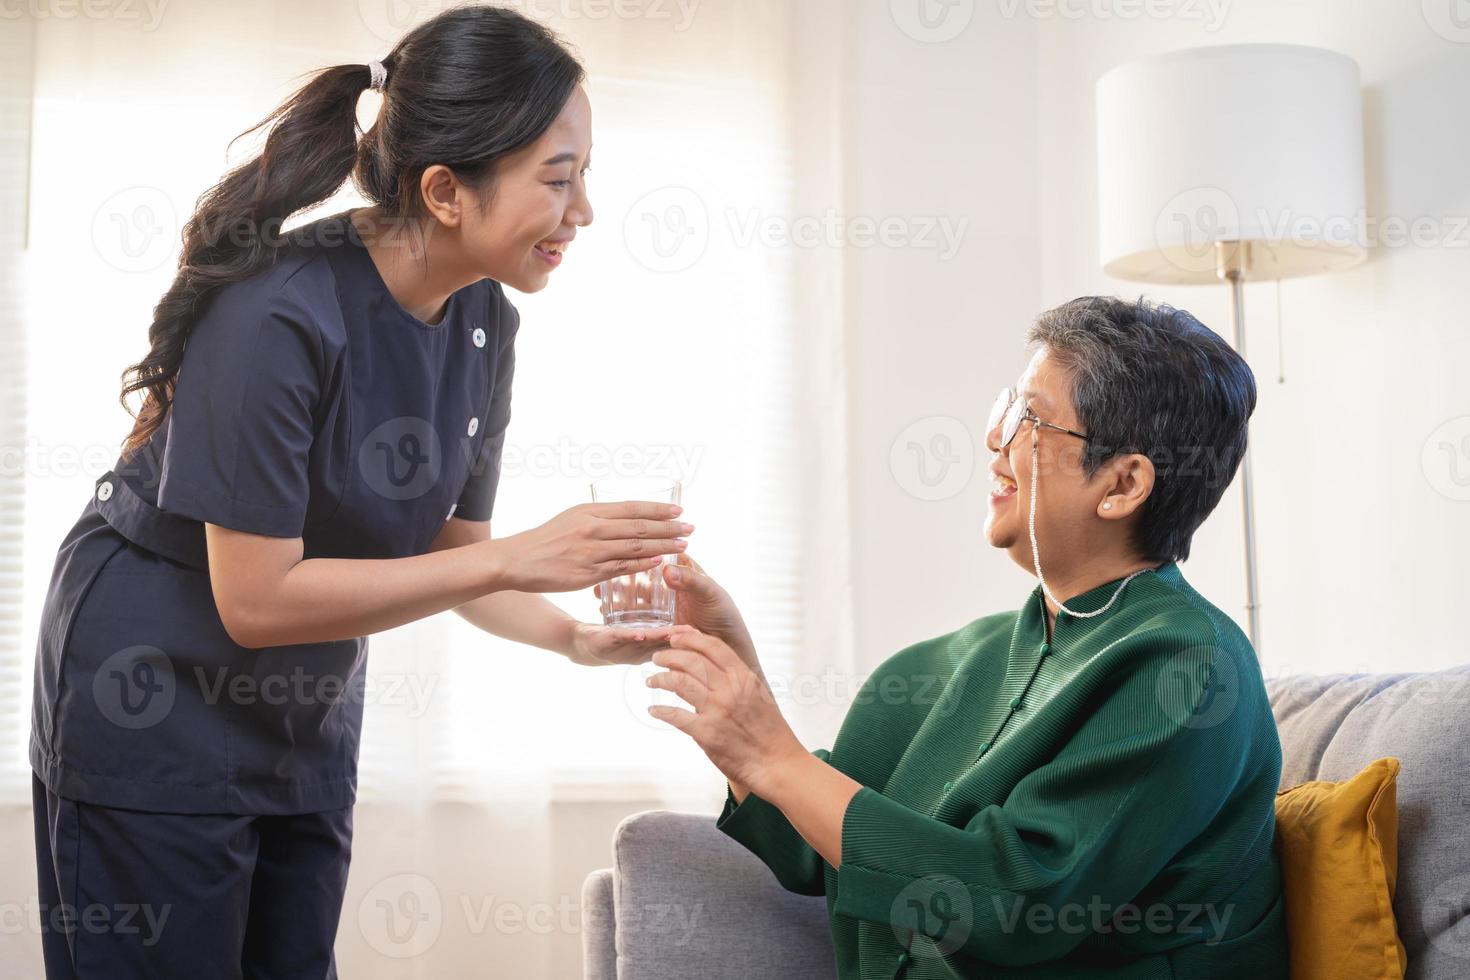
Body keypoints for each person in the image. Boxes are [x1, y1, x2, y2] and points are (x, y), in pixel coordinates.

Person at [28, 7, 690, 977]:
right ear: (445, 190)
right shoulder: (275, 313)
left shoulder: (483, 323)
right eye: (559, 178)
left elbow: (451, 553)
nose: (583, 210)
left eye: (583, 176)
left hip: (300, 705)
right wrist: (515, 554)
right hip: (149, 684)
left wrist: (575, 637)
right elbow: (253, 599)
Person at [651, 296, 1290, 978]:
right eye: (1005, 410)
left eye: (1030, 420)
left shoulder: (1188, 665)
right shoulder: (954, 662)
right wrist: (730, 668)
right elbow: (808, 847)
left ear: (1123, 483)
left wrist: (777, 756)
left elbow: (1018, 904)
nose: (995, 441)